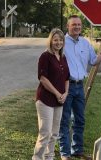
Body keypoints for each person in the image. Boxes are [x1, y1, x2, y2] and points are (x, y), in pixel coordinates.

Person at [59, 15, 101, 160]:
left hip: (80, 87)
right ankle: (65, 153)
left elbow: (93, 61)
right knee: (64, 120)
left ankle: (77, 150)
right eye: (74, 25)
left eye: (79, 25)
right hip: (66, 86)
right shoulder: (62, 43)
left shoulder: (85, 43)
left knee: (80, 120)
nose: (77, 27)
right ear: (68, 26)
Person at [32, 28, 70, 160]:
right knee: (45, 133)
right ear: (50, 41)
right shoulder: (45, 56)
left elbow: (67, 78)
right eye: (55, 40)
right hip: (45, 100)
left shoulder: (63, 57)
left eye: (60, 40)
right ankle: (37, 157)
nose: (58, 42)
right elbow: (42, 78)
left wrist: (65, 93)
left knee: (54, 133)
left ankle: (49, 157)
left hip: (59, 100)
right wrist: (57, 93)